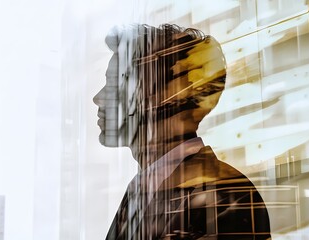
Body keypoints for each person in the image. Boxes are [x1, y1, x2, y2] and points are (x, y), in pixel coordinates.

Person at [93, 24, 271, 240]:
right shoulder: (140, 190)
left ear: (163, 96)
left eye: (114, 84)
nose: (99, 98)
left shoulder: (226, 197)